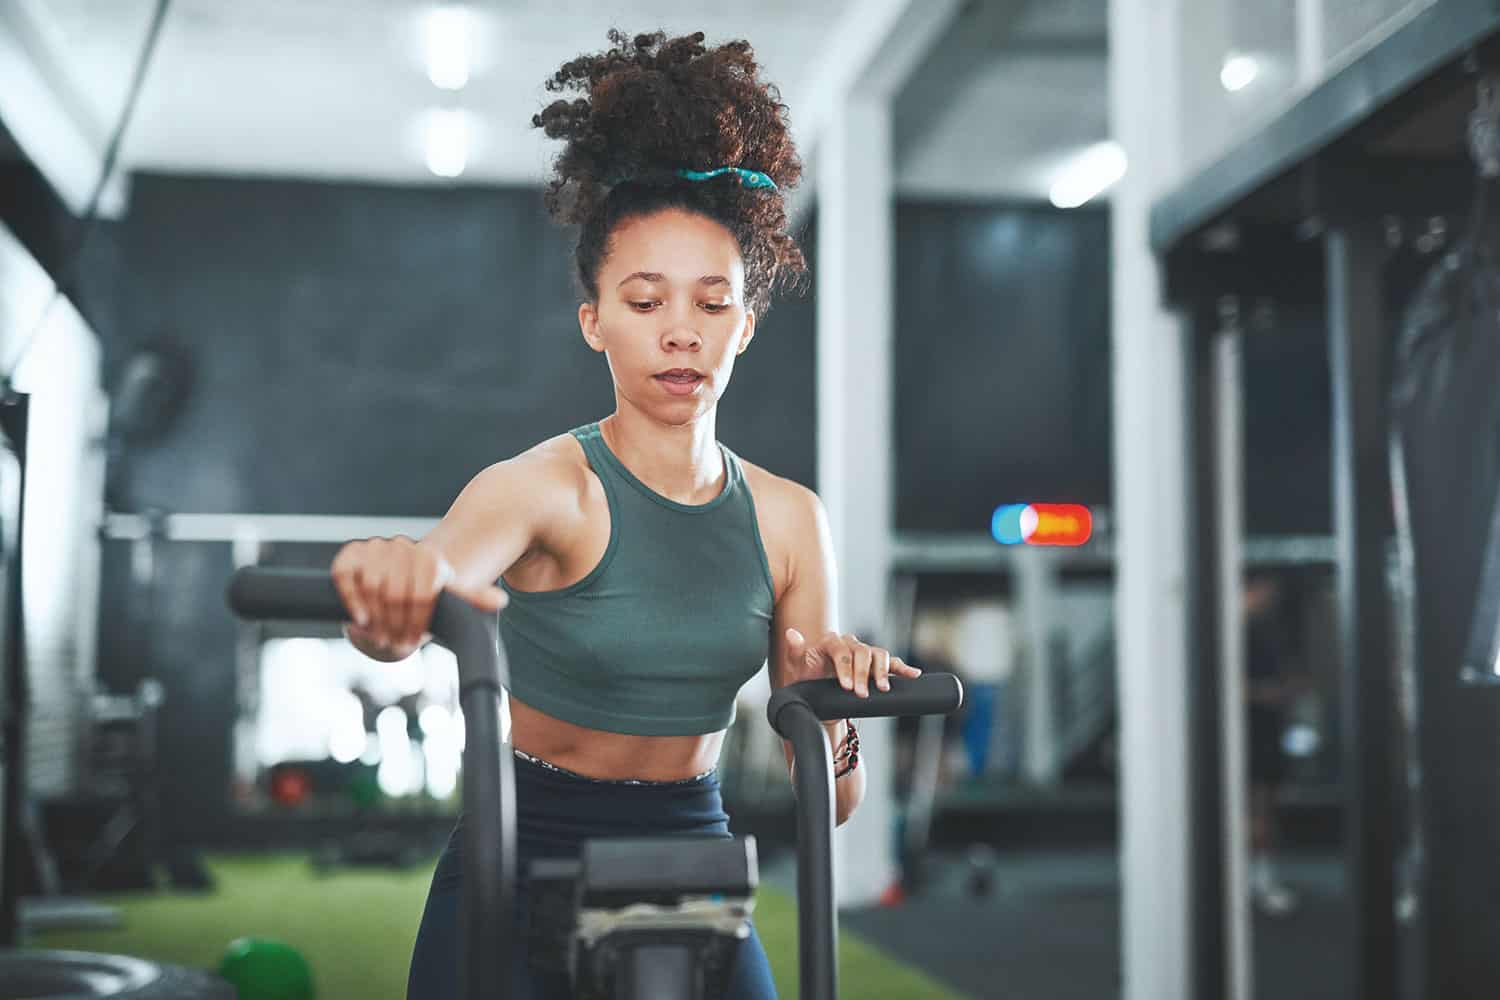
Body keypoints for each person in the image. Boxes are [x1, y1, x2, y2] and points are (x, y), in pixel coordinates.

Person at [328, 30, 921, 999]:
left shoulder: (788, 520)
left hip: (692, 853)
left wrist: (834, 715)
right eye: (645, 301)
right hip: (519, 855)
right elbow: (430, 583)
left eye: (711, 302)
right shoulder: (544, 486)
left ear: (746, 323)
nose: (681, 329)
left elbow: (836, 806)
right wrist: (395, 581)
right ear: (595, 317)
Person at [1245, 572, 1300, 917]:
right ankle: (1258, 882)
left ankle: (1261, 879)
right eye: (1265, 591)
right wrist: (1266, 693)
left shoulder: (1264, 633)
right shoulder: (1236, 634)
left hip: (1265, 731)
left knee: (1264, 806)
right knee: (1255, 808)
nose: (1269, 599)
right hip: (1248, 733)